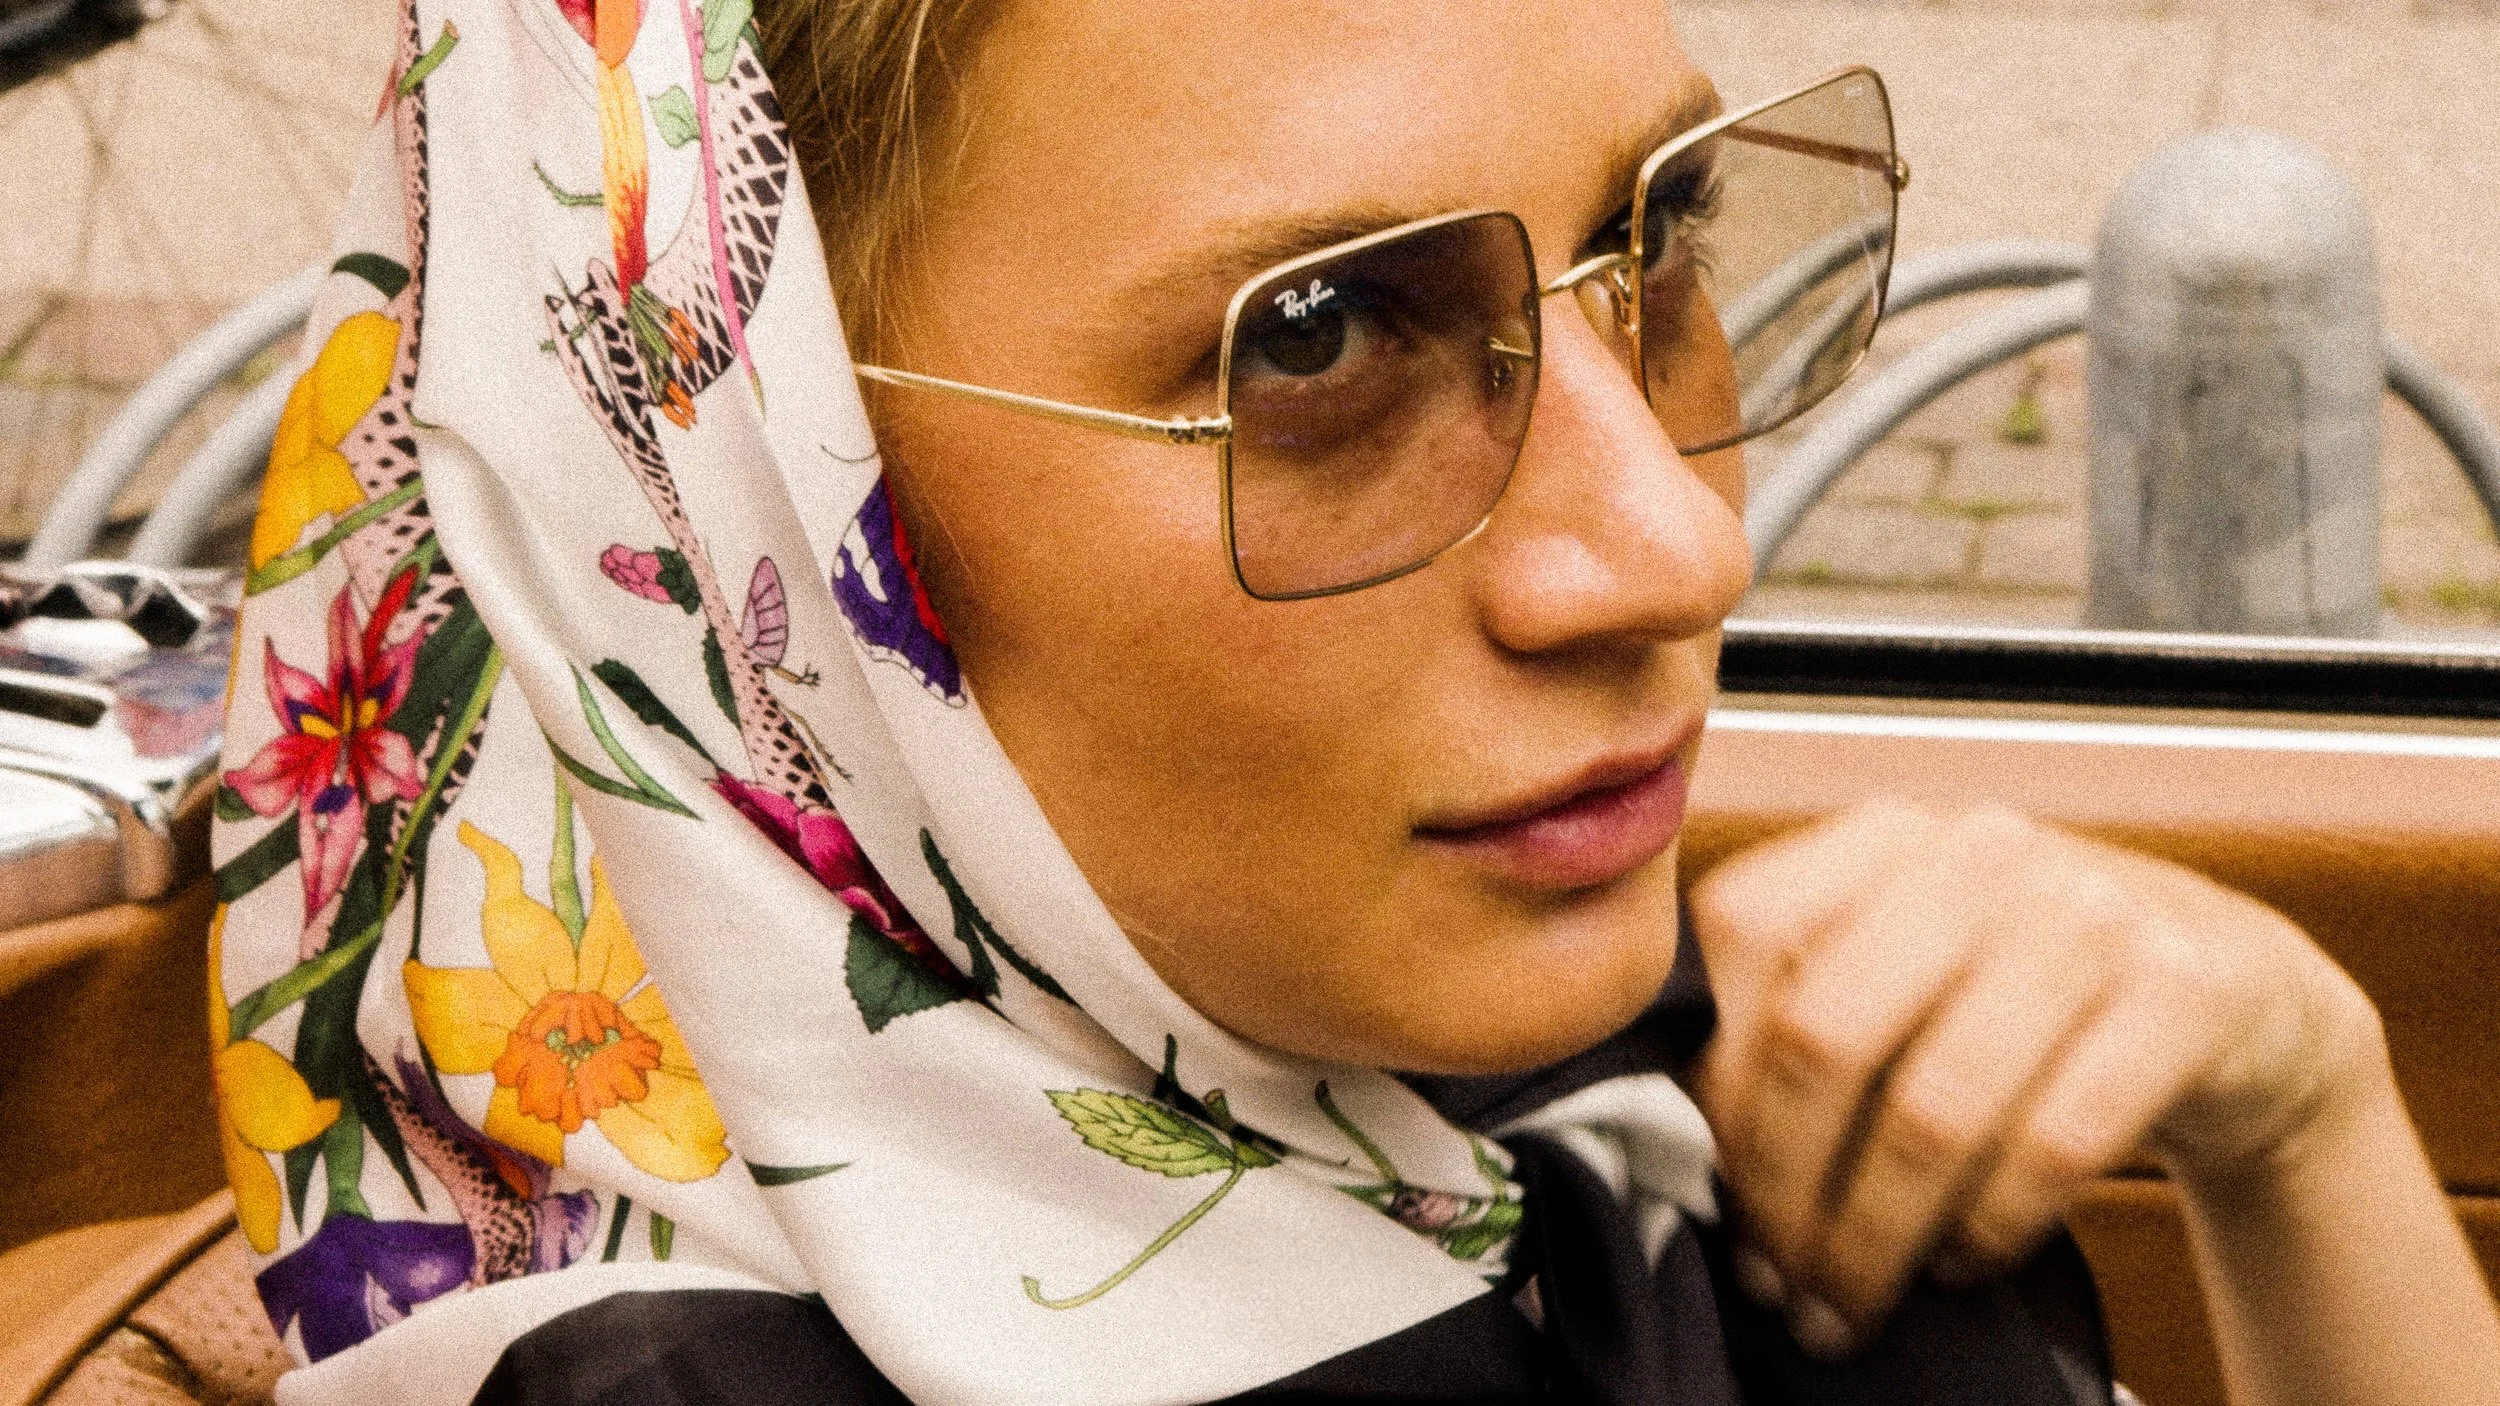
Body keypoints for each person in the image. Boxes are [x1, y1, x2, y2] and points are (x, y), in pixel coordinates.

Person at [207, 0, 2500, 1401]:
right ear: (758, 529)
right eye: (1312, 339)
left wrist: (2293, 1116)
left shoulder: (1586, 1087)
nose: (1677, 546)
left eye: (1665, 238)